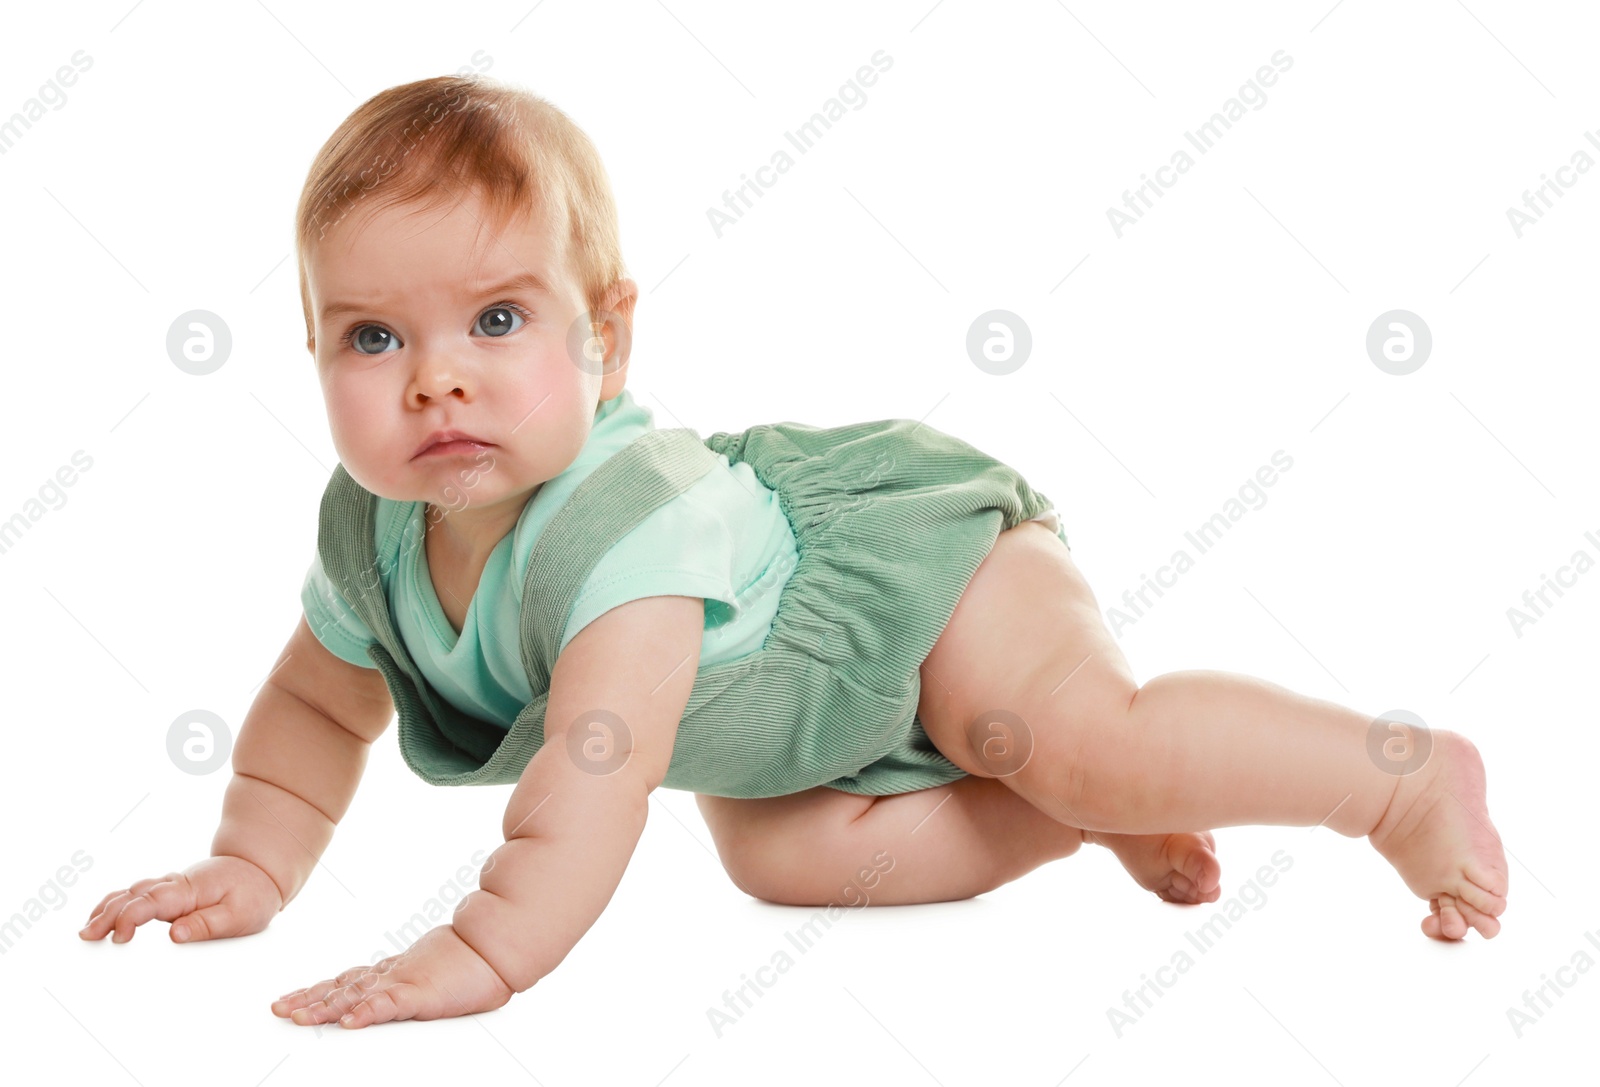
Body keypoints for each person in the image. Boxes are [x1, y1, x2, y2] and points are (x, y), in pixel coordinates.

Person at [78, 75, 1508, 1029]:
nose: (436, 378)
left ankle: (1392, 784)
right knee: (795, 860)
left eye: (497, 320)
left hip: (921, 589)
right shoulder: (373, 535)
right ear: (314, 351)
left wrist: (478, 956)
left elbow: (592, 786)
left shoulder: (623, 533)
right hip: (789, 736)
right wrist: (253, 865)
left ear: (607, 340)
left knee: (1088, 735)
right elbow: (318, 712)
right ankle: (1064, 810)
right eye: (374, 337)